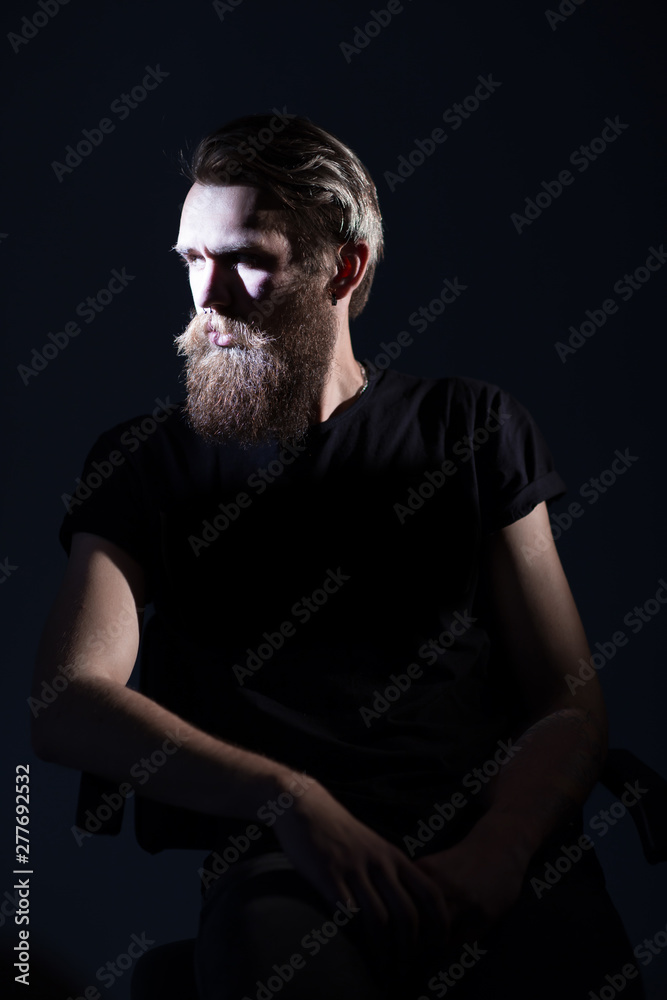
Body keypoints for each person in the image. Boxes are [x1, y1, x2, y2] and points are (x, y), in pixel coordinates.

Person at [31, 113, 644, 999]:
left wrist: (500, 854)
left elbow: (569, 701)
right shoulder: (145, 463)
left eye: (246, 258)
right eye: (190, 262)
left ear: (342, 268)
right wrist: (288, 801)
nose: (208, 302)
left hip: (498, 853)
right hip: (287, 871)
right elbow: (66, 705)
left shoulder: (471, 428)